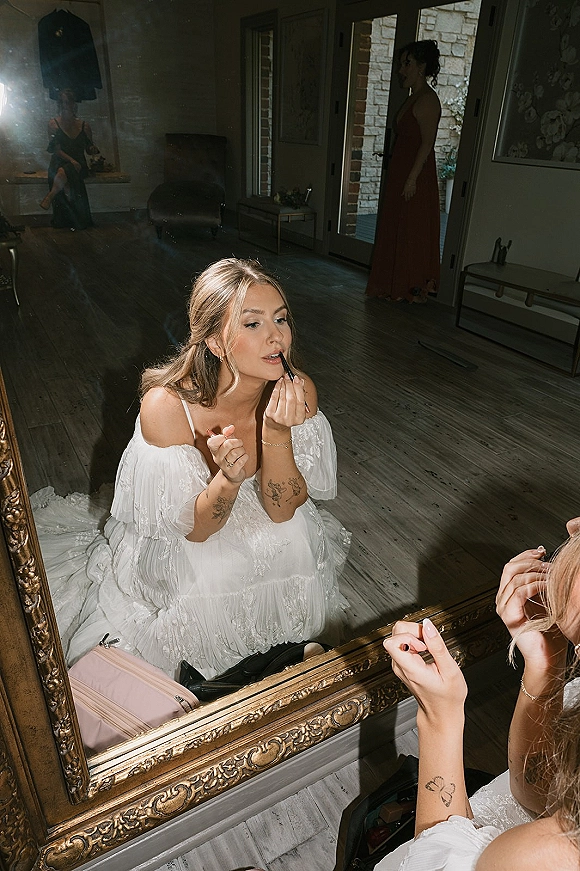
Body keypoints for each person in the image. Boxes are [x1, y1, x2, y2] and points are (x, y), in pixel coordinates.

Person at [35, 258, 350, 680]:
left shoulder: (297, 391)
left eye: (281, 319)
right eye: (253, 324)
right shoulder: (167, 407)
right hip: (196, 517)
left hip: (265, 507)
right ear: (217, 343)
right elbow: (196, 531)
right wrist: (229, 479)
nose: (277, 337)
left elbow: (281, 509)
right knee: (205, 574)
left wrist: (276, 430)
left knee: (294, 540)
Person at [378, 517, 580, 870]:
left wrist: (439, 719)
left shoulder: (541, 854)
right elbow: (541, 795)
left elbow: (433, 860)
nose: (574, 525)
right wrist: (546, 662)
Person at [365, 40, 441, 303]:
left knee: (412, 229)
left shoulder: (429, 100)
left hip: (416, 176)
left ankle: (412, 289)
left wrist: (411, 179)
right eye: (401, 64)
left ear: (421, 67)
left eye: (406, 64)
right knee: (397, 226)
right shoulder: (414, 98)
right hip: (402, 171)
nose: (401, 70)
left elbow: (427, 144)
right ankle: (393, 285)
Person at [39, 88, 99, 229]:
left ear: (74, 103)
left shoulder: (84, 125)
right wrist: (71, 161)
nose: (66, 105)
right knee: (63, 170)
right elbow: (56, 150)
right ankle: (73, 217)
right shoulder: (53, 123)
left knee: (66, 170)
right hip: (61, 161)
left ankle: (50, 196)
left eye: (68, 101)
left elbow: (89, 149)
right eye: (63, 102)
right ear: (59, 104)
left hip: (79, 162)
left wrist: (93, 150)